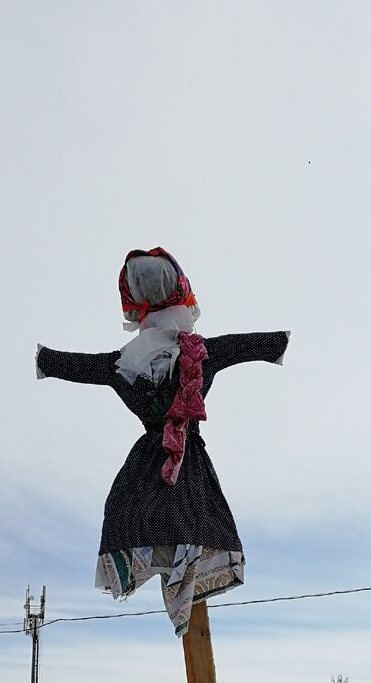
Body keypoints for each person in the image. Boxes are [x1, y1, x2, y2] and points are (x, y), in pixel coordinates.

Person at [36, 248, 290, 636]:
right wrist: (277, 343)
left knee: (142, 521)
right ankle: (186, 583)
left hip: (147, 468)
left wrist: (46, 361)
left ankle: (174, 577)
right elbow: (247, 345)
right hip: (185, 463)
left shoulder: (122, 364)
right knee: (197, 528)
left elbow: (75, 365)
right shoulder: (200, 354)